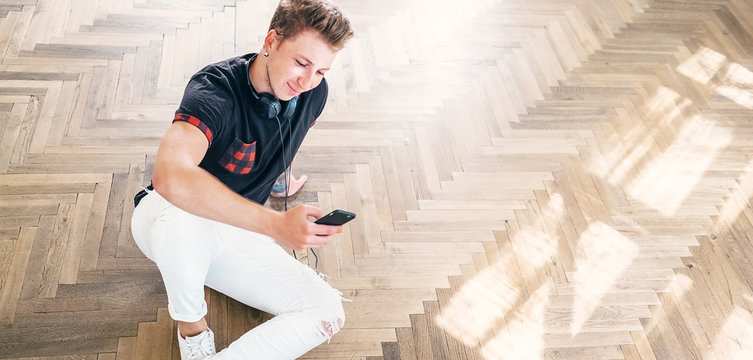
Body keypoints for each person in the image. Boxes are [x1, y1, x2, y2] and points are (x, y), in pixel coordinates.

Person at [130, 0, 354, 358]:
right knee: (184, 206)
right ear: (271, 42)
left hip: (236, 230)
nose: (307, 81)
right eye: (302, 63)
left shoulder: (313, 93)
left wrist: (282, 180)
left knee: (327, 311)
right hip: (167, 220)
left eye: (321, 71)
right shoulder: (213, 92)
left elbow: (288, 139)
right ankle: (192, 333)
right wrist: (276, 224)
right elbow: (170, 177)